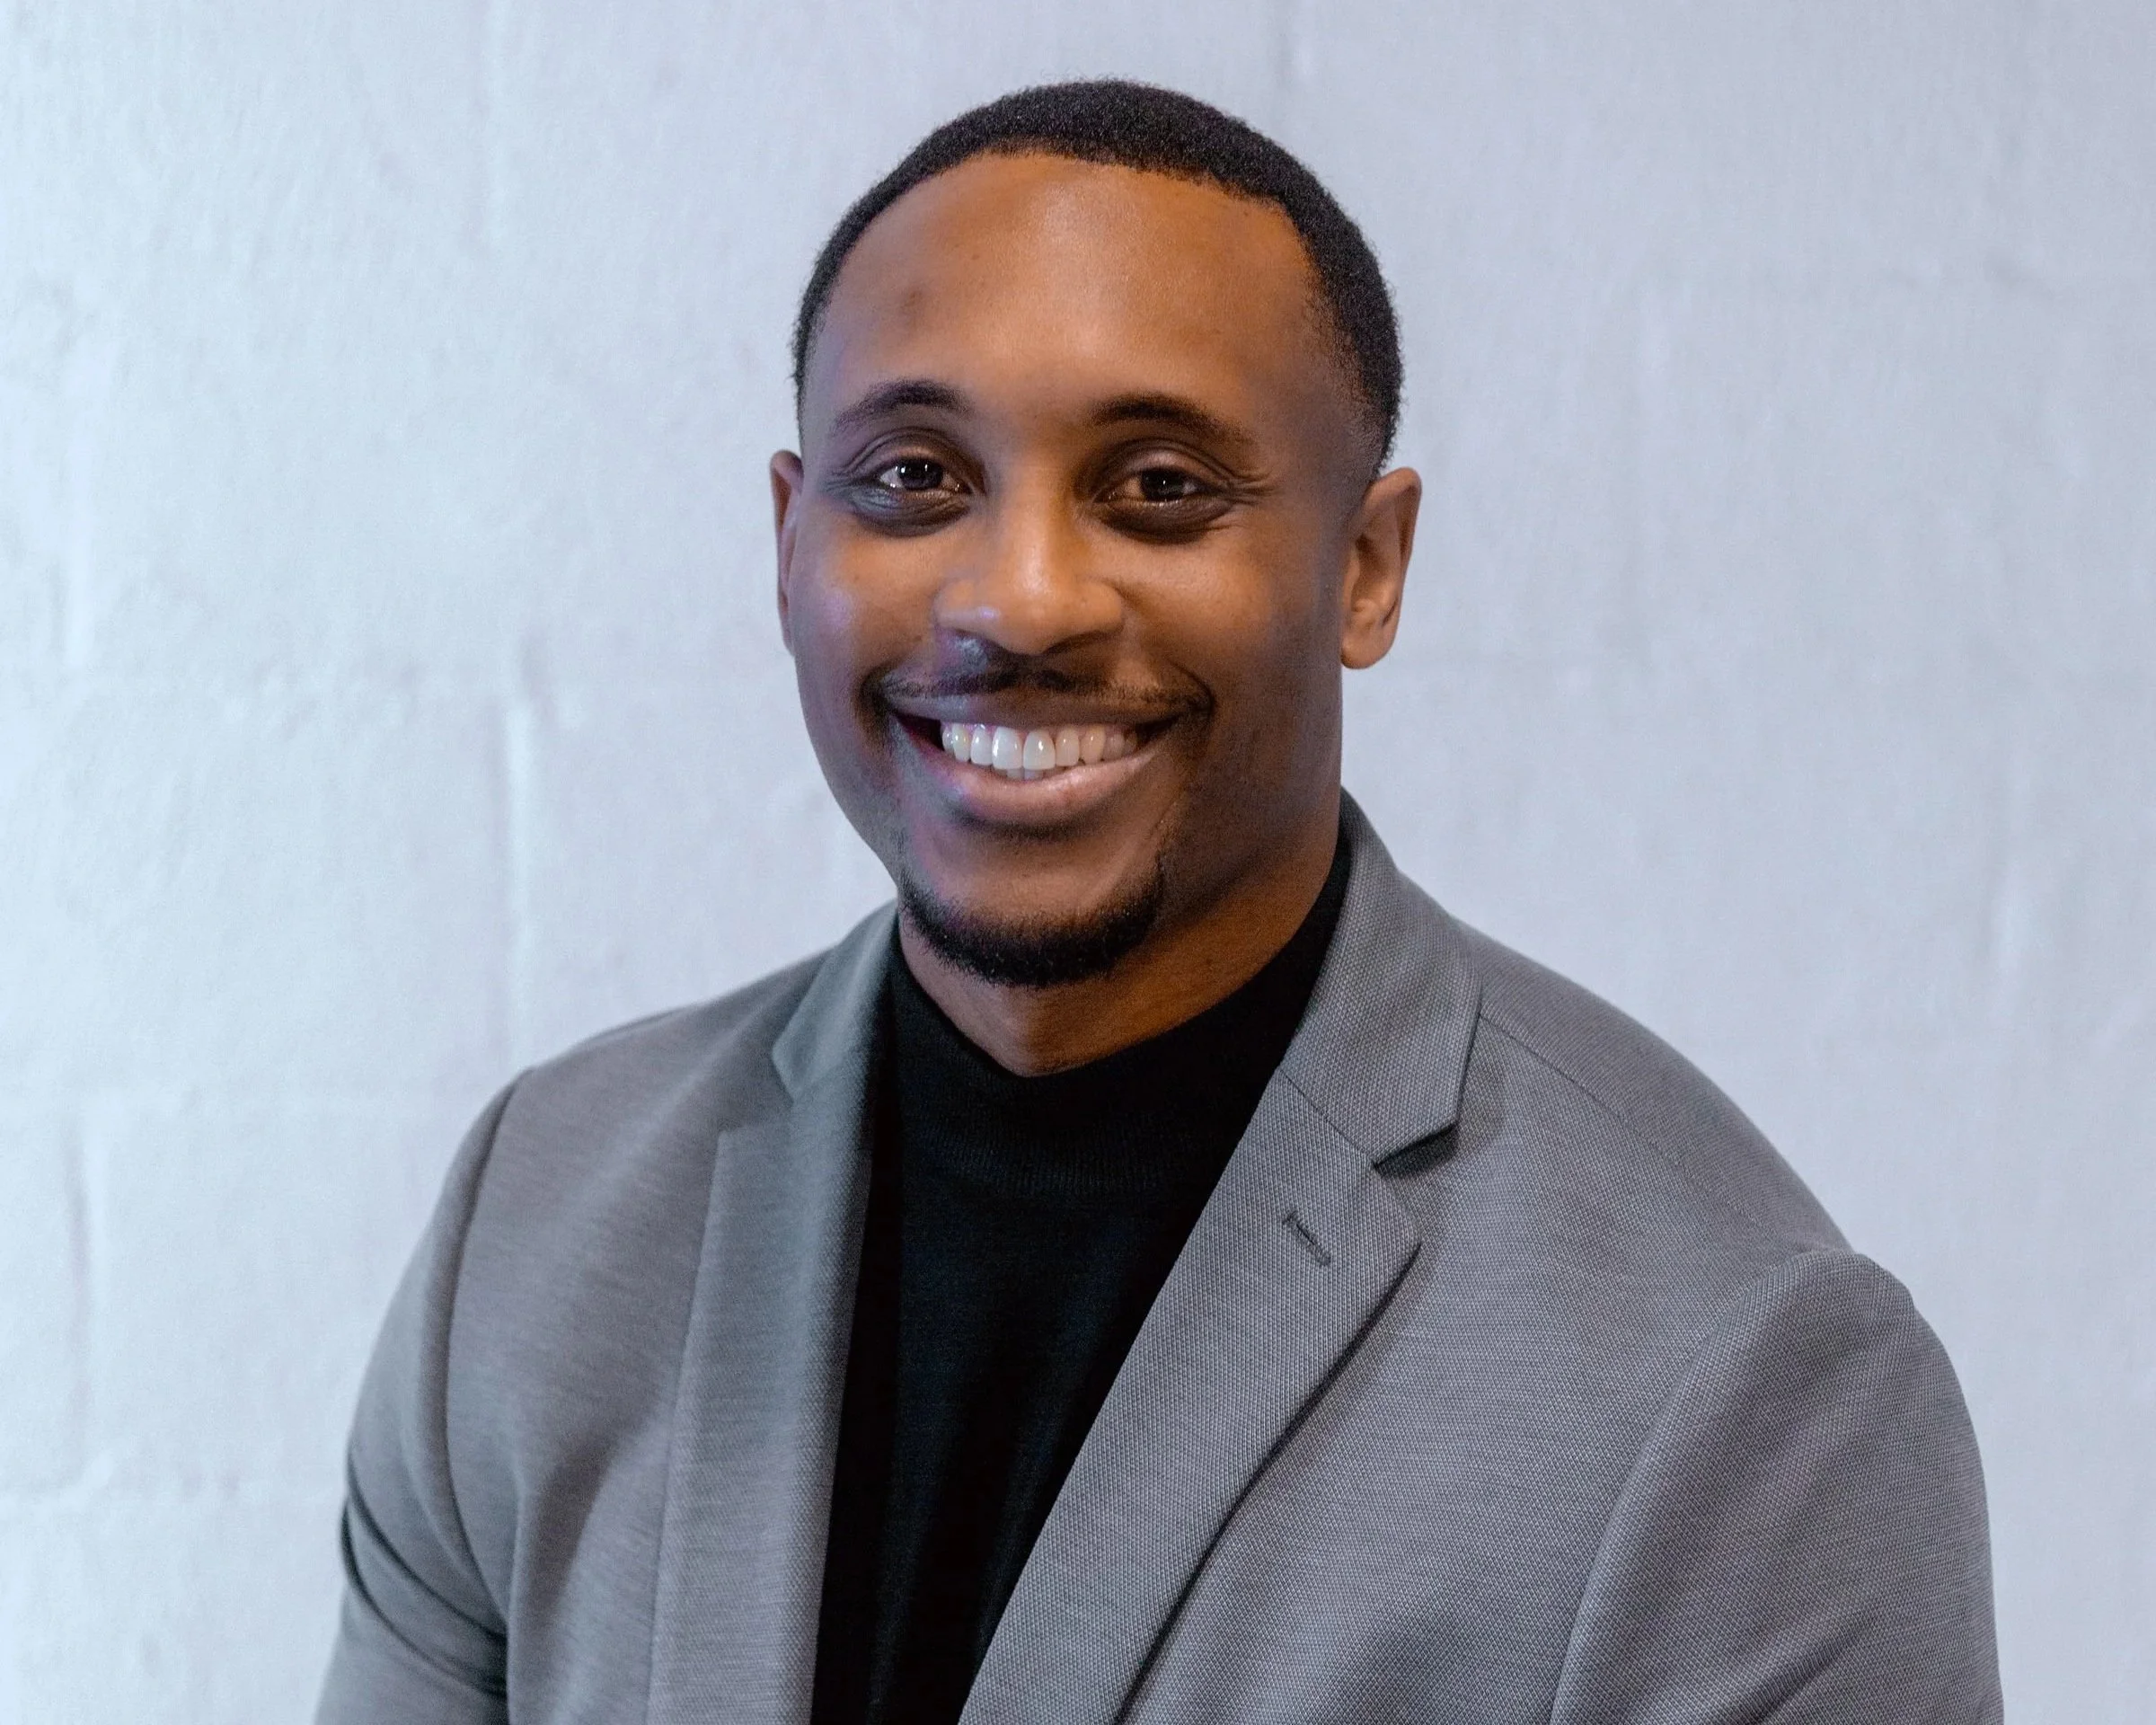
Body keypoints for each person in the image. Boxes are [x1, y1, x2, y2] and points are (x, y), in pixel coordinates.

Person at [317, 80, 2001, 1725]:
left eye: (1160, 487)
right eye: (913, 478)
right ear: (788, 540)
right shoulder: (537, 1218)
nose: (1019, 601)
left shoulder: (1741, 1377)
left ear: (1366, 567)